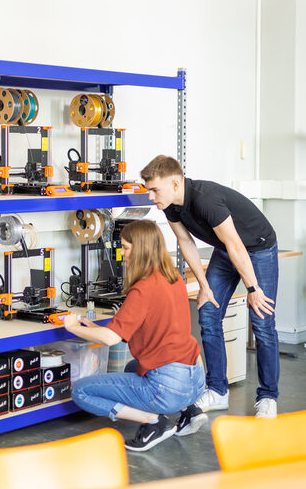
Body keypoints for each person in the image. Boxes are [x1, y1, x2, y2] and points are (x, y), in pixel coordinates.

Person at [141, 155, 279, 420]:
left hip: (257, 248)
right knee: (208, 313)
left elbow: (237, 245)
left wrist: (253, 289)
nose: (150, 196)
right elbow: (186, 242)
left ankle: (268, 396)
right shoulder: (170, 206)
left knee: (262, 320)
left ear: (175, 183)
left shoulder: (206, 199)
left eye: (154, 190)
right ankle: (217, 390)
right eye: (149, 190)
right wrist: (204, 286)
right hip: (226, 250)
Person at [64, 219, 207, 452]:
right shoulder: (174, 279)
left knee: (81, 390)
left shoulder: (143, 288)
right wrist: (93, 328)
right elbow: (150, 326)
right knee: (133, 368)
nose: (123, 254)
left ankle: (153, 423)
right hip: (195, 381)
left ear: (141, 250)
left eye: (126, 248)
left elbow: (111, 339)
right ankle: (189, 411)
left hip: (168, 388)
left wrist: (72, 327)